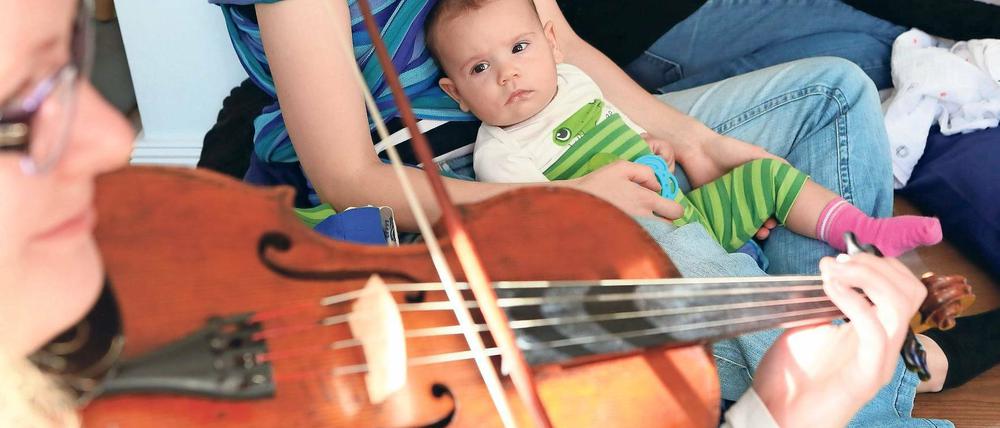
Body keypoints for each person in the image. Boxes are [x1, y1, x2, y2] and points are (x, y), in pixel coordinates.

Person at [0, 3, 956, 426]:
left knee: (831, 91)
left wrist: (683, 139)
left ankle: (858, 352)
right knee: (637, 228)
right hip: (453, 169)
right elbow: (346, 174)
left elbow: (562, 44)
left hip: (564, 118)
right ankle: (872, 392)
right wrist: (563, 199)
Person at [423, 0, 942, 258]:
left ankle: (864, 233)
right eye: (479, 69)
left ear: (551, 44)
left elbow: (624, 127)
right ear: (456, 94)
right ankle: (824, 351)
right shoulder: (499, 155)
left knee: (768, 174)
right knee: (735, 288)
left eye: (518, 49)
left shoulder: (574, 79)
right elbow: (551, 225)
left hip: (688, 206)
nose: (508, 73)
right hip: (644, 242)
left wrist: (660, 144)